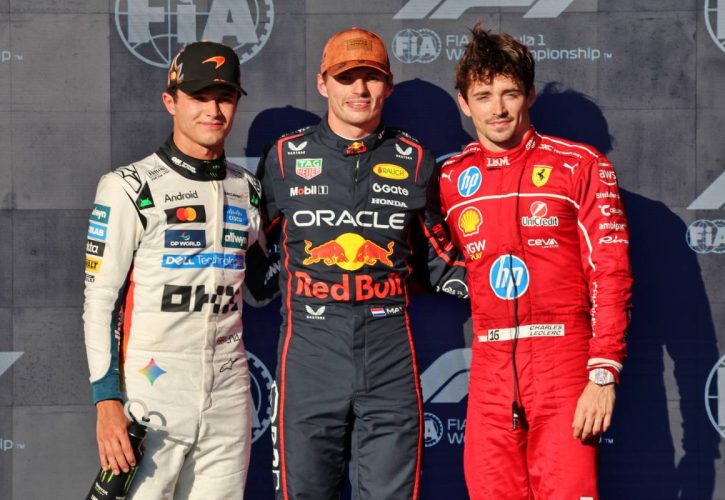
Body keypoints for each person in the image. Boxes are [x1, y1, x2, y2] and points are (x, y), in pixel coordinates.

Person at [257, 27, 467, 500]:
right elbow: (248, 250)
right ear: (322, 83)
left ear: (388, 86)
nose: (359, 89)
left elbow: (438, 260)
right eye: (345, 77)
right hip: (310, 359)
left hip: (389, 358)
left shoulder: (415, 159)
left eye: (371, 77)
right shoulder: (284, 157)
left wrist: (514, 284)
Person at [439, 25, 633, 499]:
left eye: (509, 93)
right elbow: (433, 256)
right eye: (483, 96)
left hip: (563, 363)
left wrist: (602, 375)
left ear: (528, 95)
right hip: (489, 368)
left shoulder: (580, 165)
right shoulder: (449, 179)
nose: (498, 109)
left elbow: (610, 272)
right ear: (464, 103)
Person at [83, 41, 266, 498]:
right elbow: (100, 301)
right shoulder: (129, 186)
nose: (213, 110)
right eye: (199, 97)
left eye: (224, 97)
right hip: (152, 386)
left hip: (229, 389)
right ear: (171, 101)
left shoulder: (248, 188)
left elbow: (264, 285)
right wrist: (106, 400)